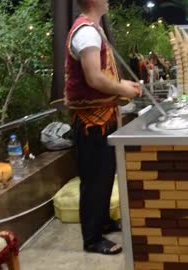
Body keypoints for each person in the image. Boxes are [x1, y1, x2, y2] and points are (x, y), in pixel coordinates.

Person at [64, 0, 142, 255]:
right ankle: (92, 238)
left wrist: (122, 85)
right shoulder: (86, 32)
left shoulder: (94, 29)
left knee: (106, 174)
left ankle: (103, 221)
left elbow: (103, 75)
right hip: (90, 121)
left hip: (103, 117)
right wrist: (123, 89)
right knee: (94, 179)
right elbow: (94, 78)